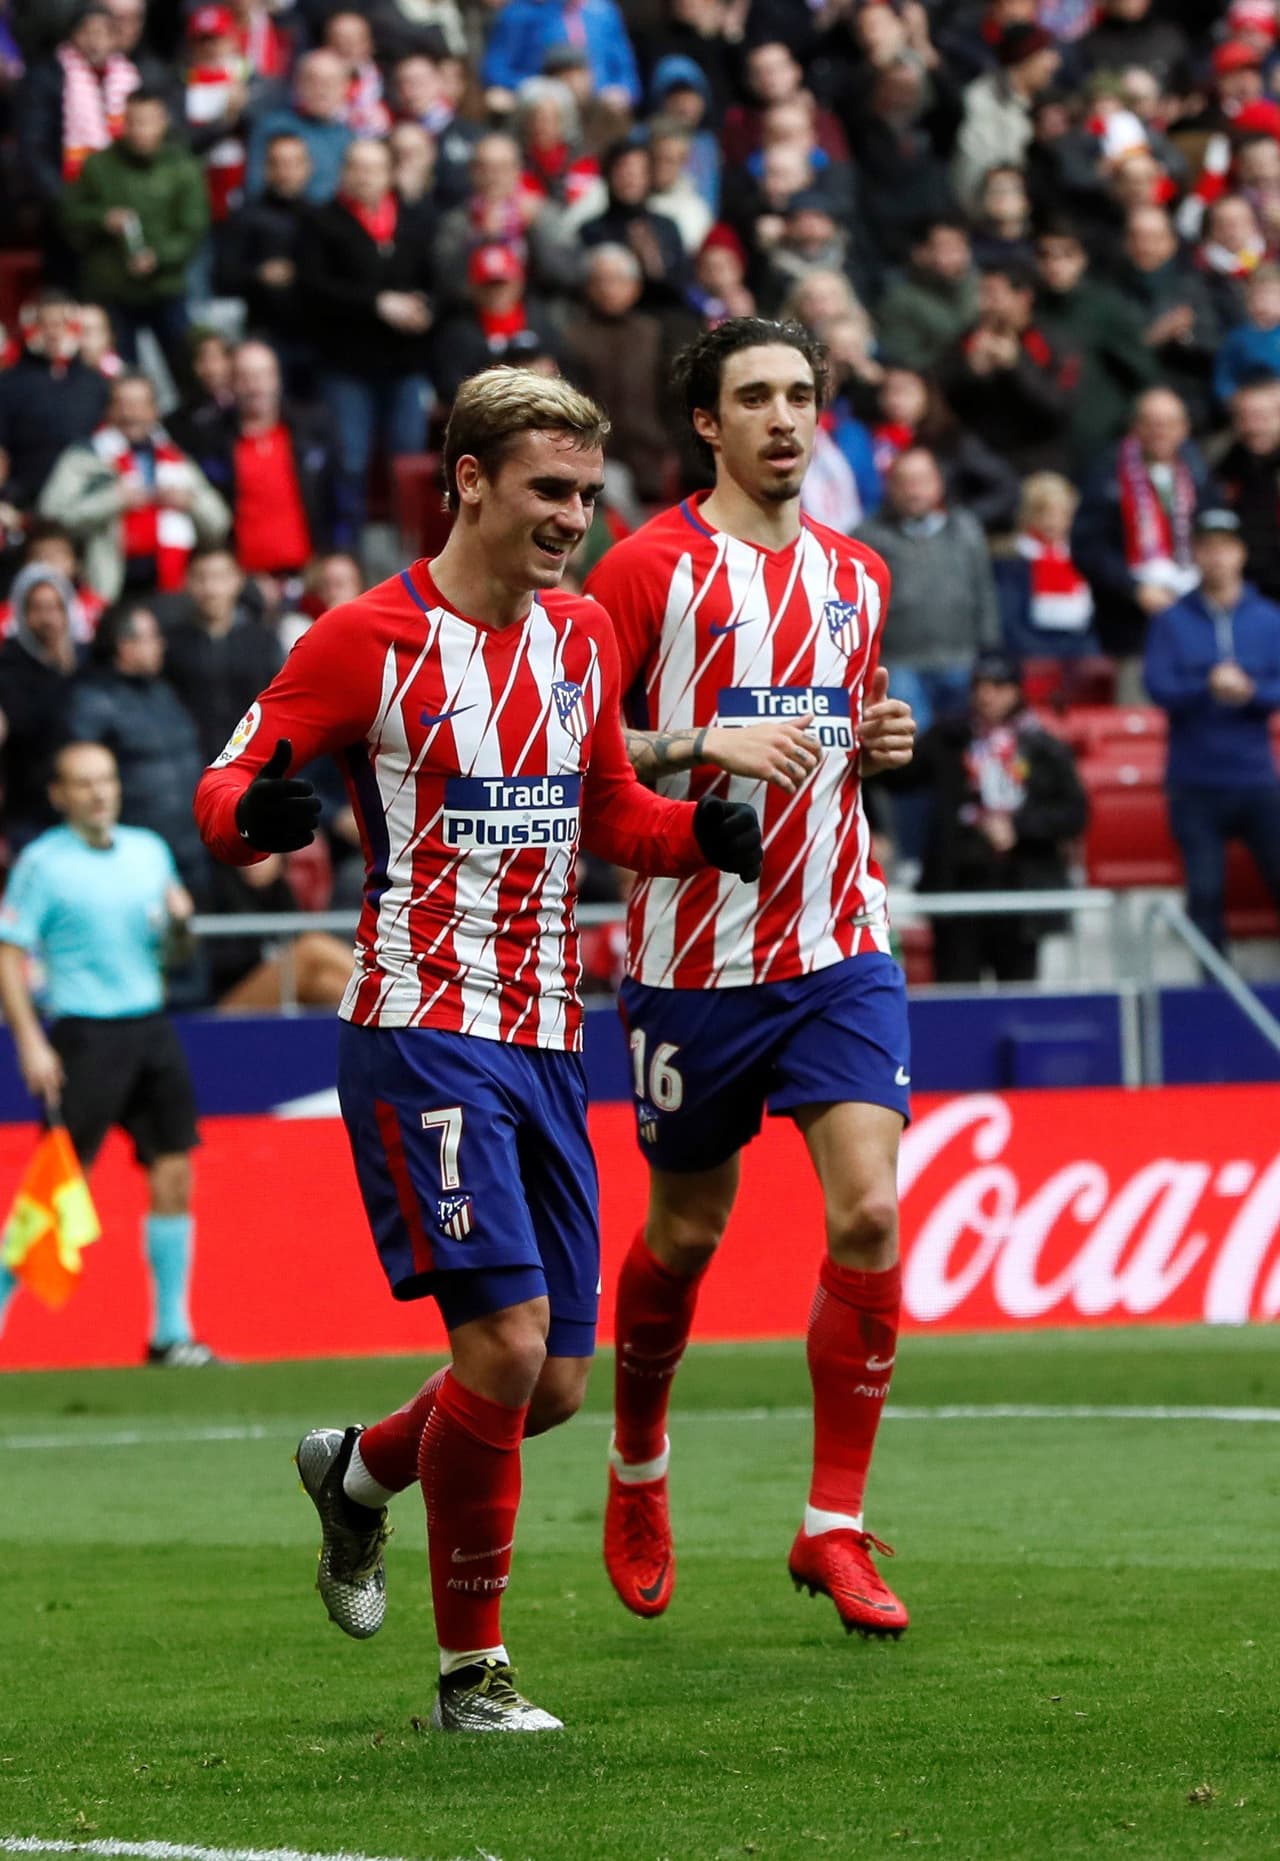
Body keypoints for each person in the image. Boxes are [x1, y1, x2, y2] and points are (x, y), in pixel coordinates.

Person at [193, 367, 763, 1732]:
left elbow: (611, 813)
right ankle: (472, 1679)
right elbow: (224, 786)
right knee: (502, 1343)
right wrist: (258, 816)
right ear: (467, 481)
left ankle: (359, 1475)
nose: (574, 515)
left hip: (553, 1040)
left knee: (554, 1379)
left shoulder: (576, 640)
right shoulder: (365, 640)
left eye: (585, 490)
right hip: (423, 1026)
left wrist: (698, 837)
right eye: (547, 489)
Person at [581, 318, 918, 1638]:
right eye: (756, 398)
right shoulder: (644, 570)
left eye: (801, 394)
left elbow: (847, 727)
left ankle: (831, 1525)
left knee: (871, 1219)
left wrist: (878, 738)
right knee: (686, 1235)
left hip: (839, 943)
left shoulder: (857, 574)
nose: (786, 417)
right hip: (690, 960)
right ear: (707, 424)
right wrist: (691, 738)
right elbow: (570, 741)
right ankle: (637, 1466)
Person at [0, 740, 211, 1366]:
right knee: (59, 1193)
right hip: (84, 1035)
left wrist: (179, 928)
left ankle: (171, 1333)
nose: (99, 793)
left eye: (107, 780)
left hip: (150, 1025)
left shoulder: (149, 851)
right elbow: (10, 956)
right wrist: (32, 1042)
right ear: (59, 795)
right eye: (83, 783)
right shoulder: (42, 863)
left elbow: (175, 958)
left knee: (174, 1170)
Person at [884, 649, 1089, 983]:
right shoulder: (949, 738)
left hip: (1020, 893)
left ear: (1017, 690)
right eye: (979, 685)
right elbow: (896, 777)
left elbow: (1075, 812)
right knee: (957, 1003)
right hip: (957, 889)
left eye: (998, 685)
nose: (986, 694)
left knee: (1018, 1000)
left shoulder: (1042, 746)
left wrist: (1019, 827)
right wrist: (880, 738)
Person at [1143, 507, 1280, 952]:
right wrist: (1208, 685)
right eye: (1207, 547)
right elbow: (1158, 685)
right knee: (1203, 895)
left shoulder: (1269, 618)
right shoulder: (1171, 620)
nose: (1217, 557)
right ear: (1195, 555)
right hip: (1195, 782)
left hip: (1256, 777)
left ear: (1240, 553)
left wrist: (1250, 691)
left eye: (1225, 547)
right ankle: (1212, 1000)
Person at [296, 137, 437, 537]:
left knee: (407, 462)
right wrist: (377, 303)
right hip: (346, 365)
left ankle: (412, 550)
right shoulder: (321, 220)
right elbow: (313, 288)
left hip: (404, 363)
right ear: (343, 172)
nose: (364, 176)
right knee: (351, 462)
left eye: (373, 168)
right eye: (356, 167)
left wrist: (424, 306)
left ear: (391, 174)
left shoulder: (414, 219)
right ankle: (348, 549)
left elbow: (434, 278)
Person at [38, 371, 230, 602]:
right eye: (123, 404)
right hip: (109, 593)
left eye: (140, 404)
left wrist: (189, 502)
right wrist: (113, 500)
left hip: (170, 593)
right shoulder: (85, 457)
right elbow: (51, 514)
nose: (132, 414)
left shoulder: (175, 458)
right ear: (109, 410)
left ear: (155, 410)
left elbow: (220, 521)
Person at [60, 89, 210, 380]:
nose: (140, 131)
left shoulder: (183, 168)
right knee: (117, 374)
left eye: (148, 122)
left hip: (165, 288)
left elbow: (194, 230)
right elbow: (69, 216)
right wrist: (102, 218)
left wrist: (159, 256)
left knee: (188, 370)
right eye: (133, 122)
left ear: (163, 122)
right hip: (112, 288)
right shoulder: (98, 166)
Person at [66, 598, 208, 894]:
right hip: (133, 858)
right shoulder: (93, 702)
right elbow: (80, 777)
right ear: (124, 645)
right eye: (150, 637)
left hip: (192, 850)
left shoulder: (165, 692)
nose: (160, 644)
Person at [854, 446, 1000, 733]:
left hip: (961, 659)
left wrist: (990, 651)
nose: (914, 490)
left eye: (921, 480)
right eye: (905, 482)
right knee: (912, 745)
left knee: (959, 743)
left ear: (939, 483)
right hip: (898, 663)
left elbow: (984, 591)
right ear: (890, 487)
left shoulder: (965, 530)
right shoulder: (867, 537)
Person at [0, 291, 110, 511]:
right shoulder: (8, 383)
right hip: (27, 500)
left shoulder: (96, 383)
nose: (53, 333)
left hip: (86, 500)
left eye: (60, 323)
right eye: (45, 324)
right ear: (31, 327)